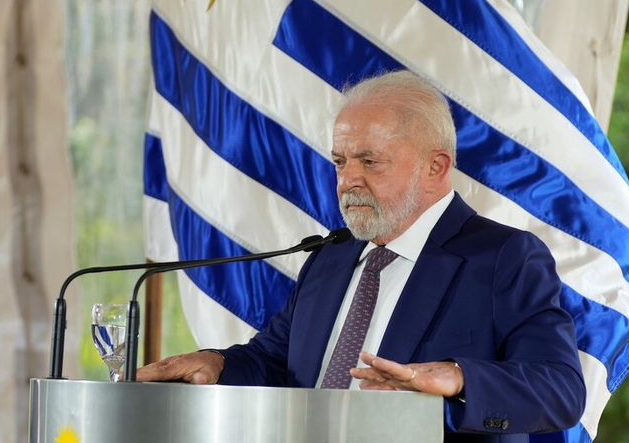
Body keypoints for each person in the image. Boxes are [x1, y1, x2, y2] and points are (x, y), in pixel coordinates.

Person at [138, 70, 586, 441]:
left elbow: (560, 389)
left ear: (436, 167)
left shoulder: (503, 257)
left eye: (369, 162)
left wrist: (460, 378)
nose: (347, 180)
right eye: (339, 161)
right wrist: (219, 364)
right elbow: (275, 363)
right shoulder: (330, 258)